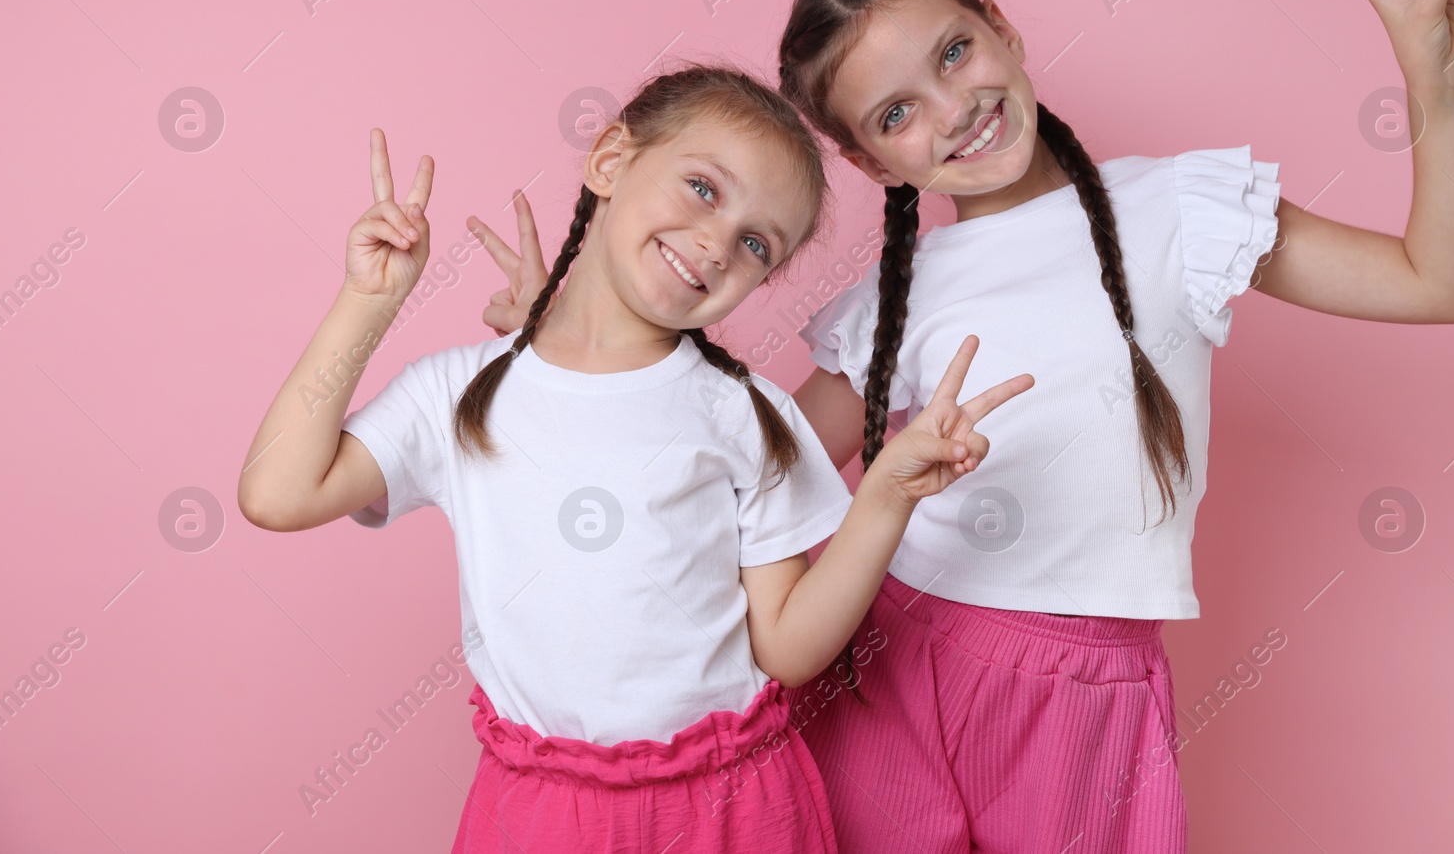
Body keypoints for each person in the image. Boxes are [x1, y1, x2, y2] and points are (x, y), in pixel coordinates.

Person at [768, 0, 1454, 851]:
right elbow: (756, 473)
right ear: (871, 163)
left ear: (1001, 27)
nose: (955, 108)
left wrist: (1433, 80)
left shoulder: (1179, 209)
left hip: (1080, 683)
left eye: (954, 51)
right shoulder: (895, 297)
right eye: (898, 111)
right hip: (883, 657)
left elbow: (1443, 280)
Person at [237, 64, 1032, 853]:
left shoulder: (747, 414)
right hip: (540, 816)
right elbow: (278, 490)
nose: (718, 243)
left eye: (756, 243)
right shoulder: (460, 393)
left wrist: (887, 496)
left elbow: (787, 647)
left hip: (733, 811)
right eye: (703, 188)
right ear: (611, 160)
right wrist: (368, 303)